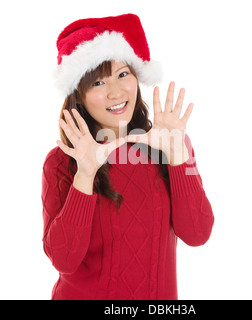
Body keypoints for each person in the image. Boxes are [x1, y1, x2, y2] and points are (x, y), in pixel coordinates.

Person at [41, 13, 214, 300]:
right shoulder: (61, 161)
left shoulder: (170, 145)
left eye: (123, 75)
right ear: (79, 96)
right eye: (98, 83)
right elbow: (63, 260)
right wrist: (85, 175)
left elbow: (197, 234)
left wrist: (177, 155)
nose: (116, 92)